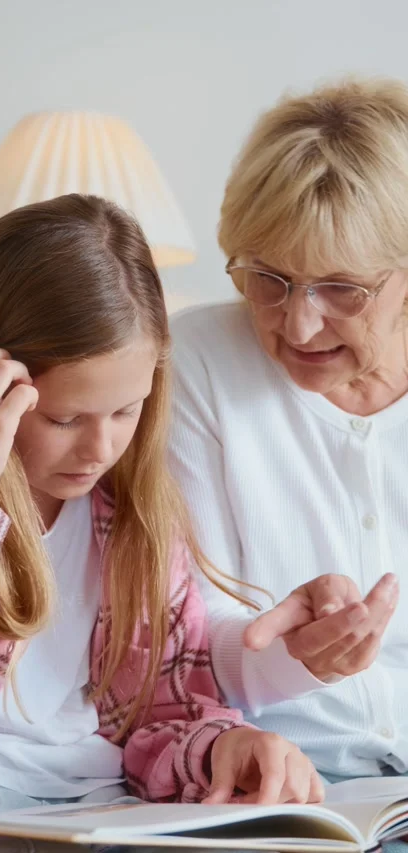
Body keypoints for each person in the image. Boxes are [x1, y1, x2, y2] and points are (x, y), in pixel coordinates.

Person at [0, 194, 322, 850]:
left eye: (126, 411)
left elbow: (159, 713)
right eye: (65, 419)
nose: (100, 449)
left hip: (97, 809)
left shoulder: (128, 515)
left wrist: (223, 747)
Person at [169, 77, 408, 782]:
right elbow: (187, 640)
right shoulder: (195, 363)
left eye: (342, 289)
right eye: (268, 278)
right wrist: (289, 656)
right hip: (284, 784)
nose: (297, 324)